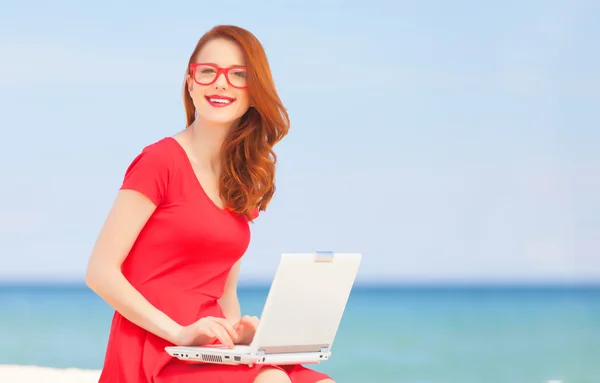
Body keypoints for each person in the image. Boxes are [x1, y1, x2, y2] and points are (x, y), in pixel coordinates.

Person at [85, 25, 335, 383]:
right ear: (190, 83)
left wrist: (242, 334)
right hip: (158, 346)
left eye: (238, 75)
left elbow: (224, 291)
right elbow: (100, 271)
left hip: (210, 345)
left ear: (254, 92)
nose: (221, 83)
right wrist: (178, 333)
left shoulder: (240, 179)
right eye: (208, 72)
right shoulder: (160, 161)